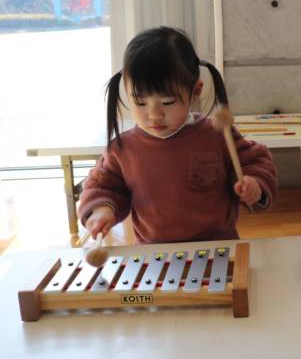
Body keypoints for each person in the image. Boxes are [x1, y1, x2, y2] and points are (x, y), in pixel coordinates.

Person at [79, 26, 278, 243]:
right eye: (140, 102)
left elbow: (255, 161)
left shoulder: (217, 135)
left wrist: (255, 186)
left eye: (167, 102)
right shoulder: (122, 149)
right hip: (154, 253)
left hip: (219, 245)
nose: (154, 115)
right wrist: (101, 209)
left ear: (195, 92)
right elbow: (102, 185)